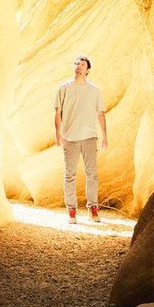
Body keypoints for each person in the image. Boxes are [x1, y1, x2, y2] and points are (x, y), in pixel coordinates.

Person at [54, 55, 107, 223]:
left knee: (92, 174)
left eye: (82, 64)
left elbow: (100, 113)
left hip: (90, 137)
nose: (78, 66)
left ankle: (92, 208)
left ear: (87, 70)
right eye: (76, 63)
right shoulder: (64, 88)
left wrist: (105, 136)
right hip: (70, 137)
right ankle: (71, 210)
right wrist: (58, 134)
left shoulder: (94, 90)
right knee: (70, 174)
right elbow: (57, 113)